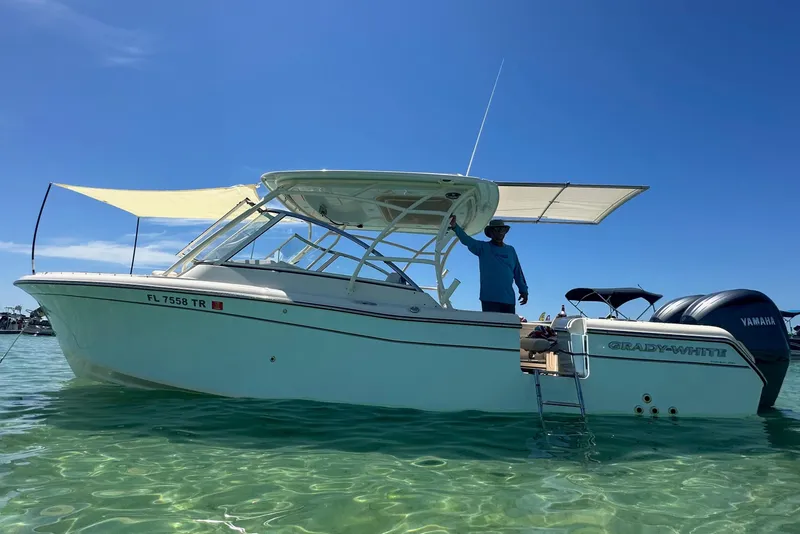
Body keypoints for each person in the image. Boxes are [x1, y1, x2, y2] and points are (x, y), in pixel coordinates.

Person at [449, 215, 528, 314]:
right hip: (489, 299)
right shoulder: (483, 248)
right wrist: (455, 226)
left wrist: (523, 290)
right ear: (490, 232)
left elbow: (518, 272)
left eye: (502, 230)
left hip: (508, 299)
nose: (500, 232)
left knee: (507, 328)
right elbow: (467, 240)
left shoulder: (511, 250)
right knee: (492, 328)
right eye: (497, 229)